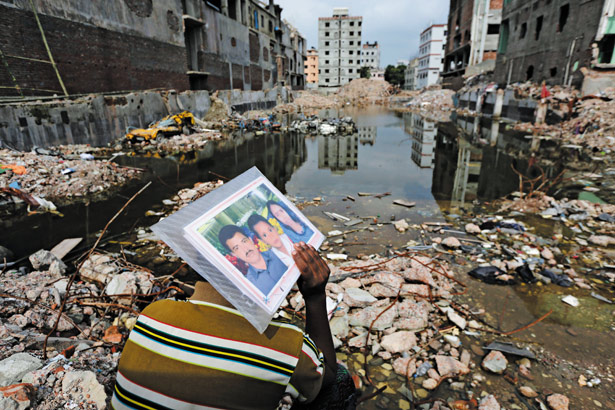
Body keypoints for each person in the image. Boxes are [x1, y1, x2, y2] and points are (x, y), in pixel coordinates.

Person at [111, 243, 358, 410]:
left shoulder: (153, 314)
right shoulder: (288, 347)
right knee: (340, 381)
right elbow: (328, 374)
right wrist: (315, 298)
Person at [218, 225, 287, 295]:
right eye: (237, 248)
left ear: (250, 240)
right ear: (234, 255)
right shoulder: (251, 286)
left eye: (244, 241)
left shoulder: (278, 252)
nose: (245, 249)